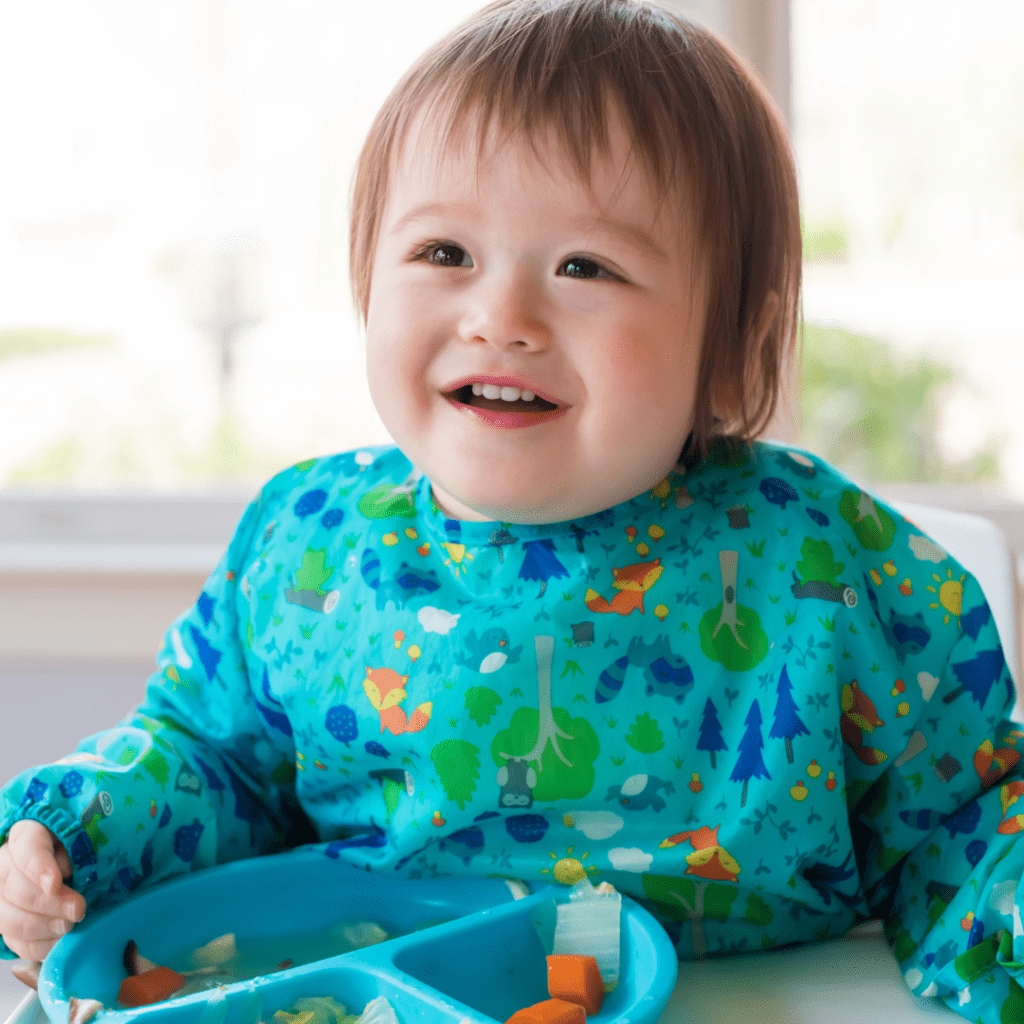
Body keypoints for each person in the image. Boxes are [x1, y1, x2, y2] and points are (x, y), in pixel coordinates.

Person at [1, 1, 1021, 1019]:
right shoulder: (308, 547)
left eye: (586, 266)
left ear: (731, 347)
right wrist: (79, 832)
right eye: (444, 253)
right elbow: (208, 760)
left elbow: (965, 820)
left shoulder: (818, 561)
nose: (500, 317)